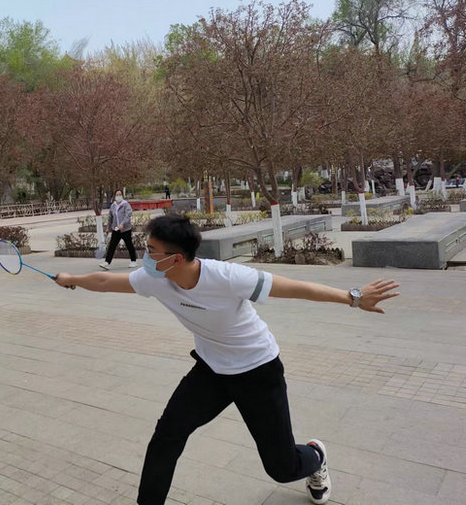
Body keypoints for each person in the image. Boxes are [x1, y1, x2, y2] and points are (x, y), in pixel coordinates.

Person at [56, 214, 399, 505]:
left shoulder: (227, 277)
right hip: (211, 370)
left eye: (151, 250)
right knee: (167, 437)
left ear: (176, 259)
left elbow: (295, 288)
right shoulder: (154, 278)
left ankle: (315, 456)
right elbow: (106, 280)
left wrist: (353, 297)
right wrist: (72, 280)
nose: (145, 256)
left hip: (258, 371)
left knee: (281, 468)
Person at [100, 189, 138, 270]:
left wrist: (122, 224)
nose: (118, 196)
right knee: (112, 246)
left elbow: (128, 215)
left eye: (120, 194)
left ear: (122, 195)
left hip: (125, 229)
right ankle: (107, 262)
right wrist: (108, 228)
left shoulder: (126, 205)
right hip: (116, 229)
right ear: (115, 196)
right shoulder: (113, 206)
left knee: (129, 244)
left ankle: (133, 261)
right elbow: (110, 218)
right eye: (117, 195)